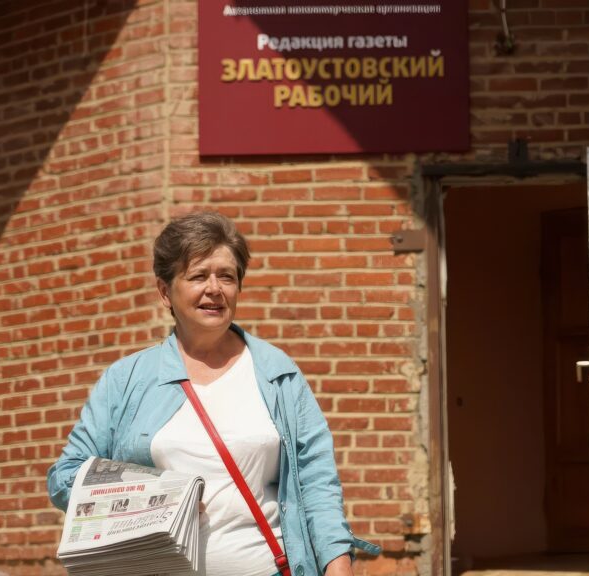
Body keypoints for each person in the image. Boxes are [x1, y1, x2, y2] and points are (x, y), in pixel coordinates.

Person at [47, 212, 379, 576]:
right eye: (198, 276)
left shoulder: (277, 373)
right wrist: (155, 495)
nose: (214, 288)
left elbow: (316, 479)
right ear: (165, 292)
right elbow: (66, 477)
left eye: (227, 276)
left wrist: (338, 565)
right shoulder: (126, 380)